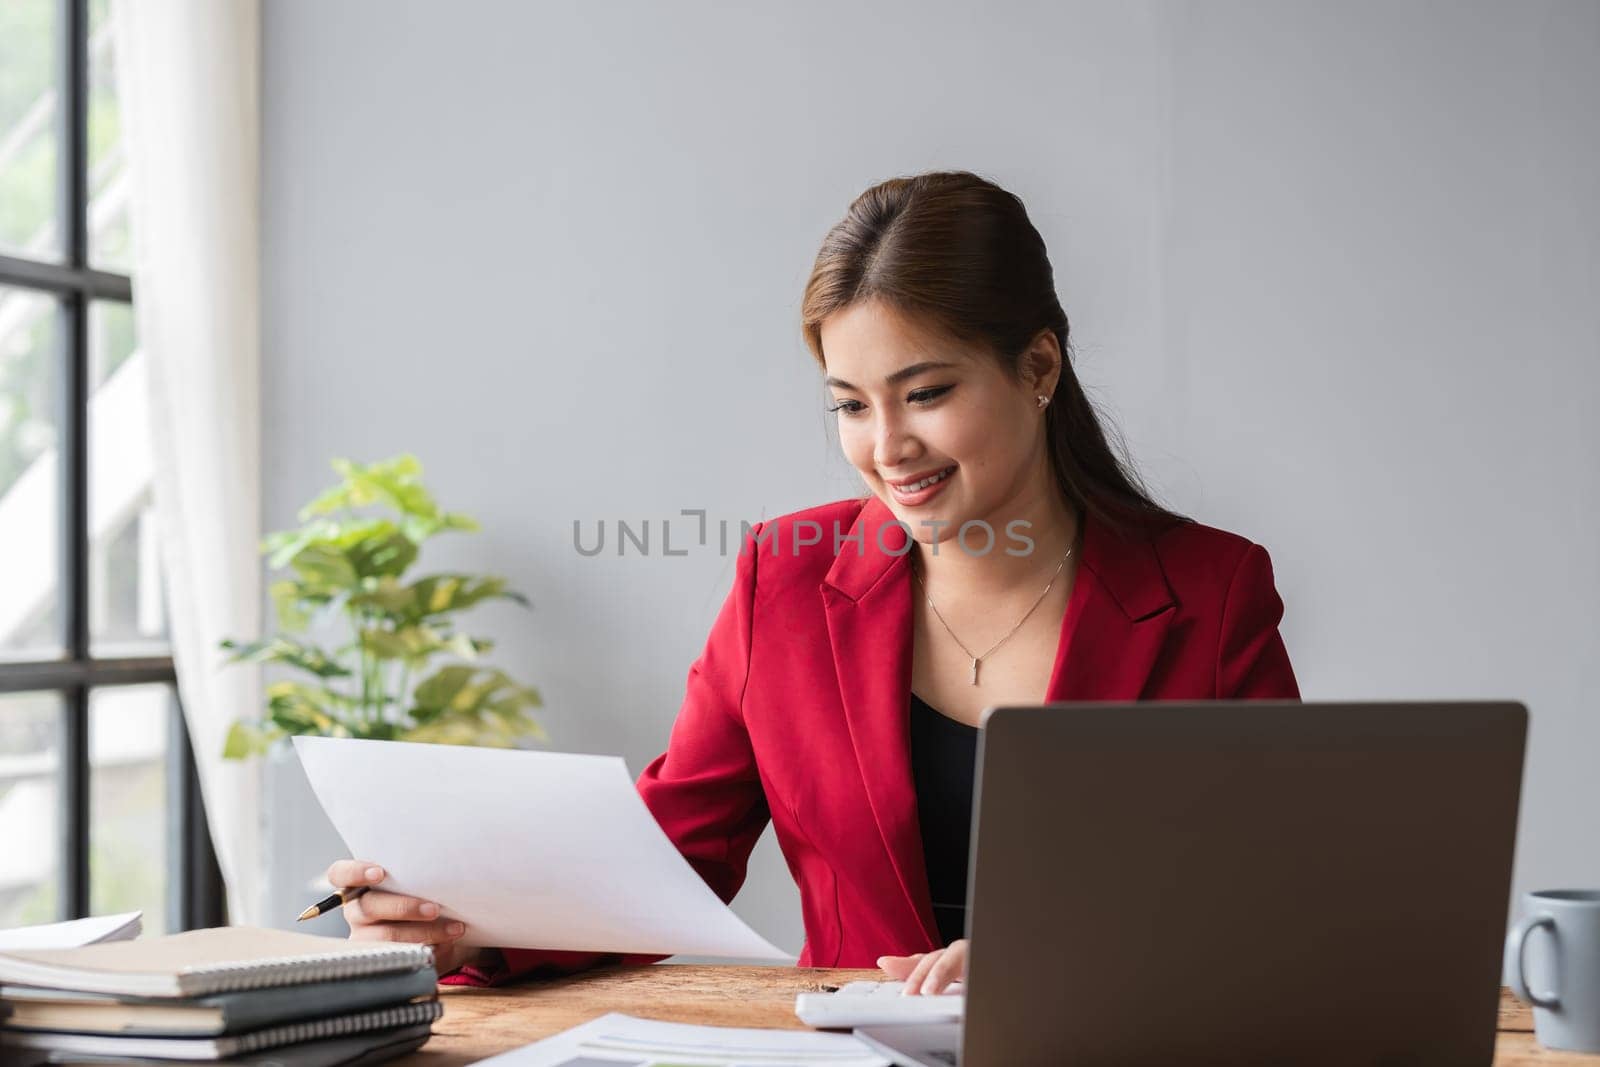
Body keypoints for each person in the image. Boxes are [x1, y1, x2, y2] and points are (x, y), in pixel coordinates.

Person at [326, 170, 1301, 996]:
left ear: (1037, 364)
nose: (887, 447)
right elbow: (672, 852)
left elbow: (1269, 896)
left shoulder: (1210, 590)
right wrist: (467, 925)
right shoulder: (783, 574)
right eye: (850, 404)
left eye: (926, 392)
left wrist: (1056, 965)